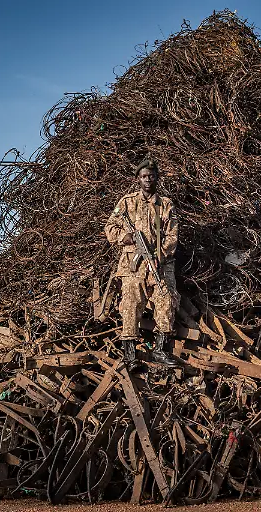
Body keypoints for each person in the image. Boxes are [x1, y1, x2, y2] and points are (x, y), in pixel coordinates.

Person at [104, 157, 180, 370]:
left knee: (166, 300)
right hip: (133, 266)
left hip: (160, 265)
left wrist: (161, 256)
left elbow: (172, 235)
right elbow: (110, 228)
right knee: (130, 305)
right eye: (144, 176)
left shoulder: (165, 204)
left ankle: (160, 351)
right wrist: (125, 237)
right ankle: (130, 356)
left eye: (152, 176)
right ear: (138, 179)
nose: (148, 180)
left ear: (157, 179)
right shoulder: (127, 202)